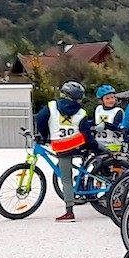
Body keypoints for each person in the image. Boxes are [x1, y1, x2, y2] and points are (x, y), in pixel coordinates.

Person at [34, 80, 97, 222]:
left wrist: (45, 135)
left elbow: (40, 119)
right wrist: (93, 146)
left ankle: (69, 212)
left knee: (66, 180)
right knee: (80, 166)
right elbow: (85, 131)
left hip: (61, 147)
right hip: (77, 145)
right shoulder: (81, 112)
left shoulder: (51, 106)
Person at [93, 84, 127, 150]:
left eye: (112, 97)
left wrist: (105, 125)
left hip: (114, 144)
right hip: (99, 143)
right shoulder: (98, 109)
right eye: (107, 98)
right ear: (101, 100)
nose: (111, 100)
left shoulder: (118, 111)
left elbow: (117, 127)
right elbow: (94, 122)